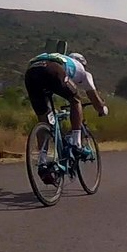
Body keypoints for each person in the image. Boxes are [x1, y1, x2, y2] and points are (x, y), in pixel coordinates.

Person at [23, 51, 108, 183]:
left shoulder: (60, 57)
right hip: (52, 69)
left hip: (31, 71)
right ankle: (76, 142)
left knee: (44, 117)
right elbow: (94, 98)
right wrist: (102, 109)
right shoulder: (82, 71)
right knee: (75, 100)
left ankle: (43, 160)